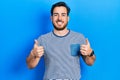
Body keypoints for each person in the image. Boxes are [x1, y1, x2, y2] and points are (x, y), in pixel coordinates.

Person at [26, 1, 96, 80]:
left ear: (68, 18)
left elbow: (90, 62)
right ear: (51, 18)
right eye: (56, 15)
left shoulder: (78, 38)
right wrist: (33, 54)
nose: (59, 18)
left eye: (63, 15)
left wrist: (90, 52)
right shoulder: (43, 39)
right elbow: (30, 65)